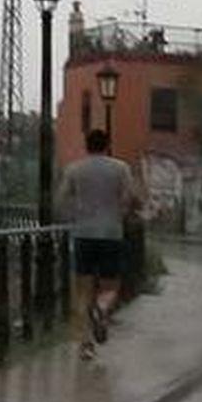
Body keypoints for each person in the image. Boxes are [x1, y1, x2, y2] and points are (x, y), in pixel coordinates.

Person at [55, 129, 140, 360]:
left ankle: (86, 345)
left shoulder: (74, 169)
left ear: (87, 145)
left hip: (83, 234)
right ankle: (101, 309)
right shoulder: (121, 168)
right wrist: (121, 214)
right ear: (107, 145)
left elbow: (61, 200)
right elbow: (129, 197)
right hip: (111, 233)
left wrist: (75, 215)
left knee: (82, 291)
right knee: (110, 287)